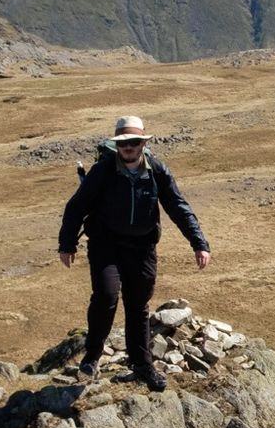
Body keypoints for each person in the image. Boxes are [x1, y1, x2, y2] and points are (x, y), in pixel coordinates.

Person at [57, 116, 211, 389]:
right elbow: (76, 206)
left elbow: (178, 206)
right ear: (117, 145)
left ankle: (141, 365)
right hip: (106, 245)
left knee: (138, 306)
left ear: (143, 144)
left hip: (142, 248)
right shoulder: (103, 170)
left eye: (134, 142)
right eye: (123, 143)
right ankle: (92, 356)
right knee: (106, 295)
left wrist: (199, 243)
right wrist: (67, 244)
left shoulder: (157, 171)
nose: (129, 147)